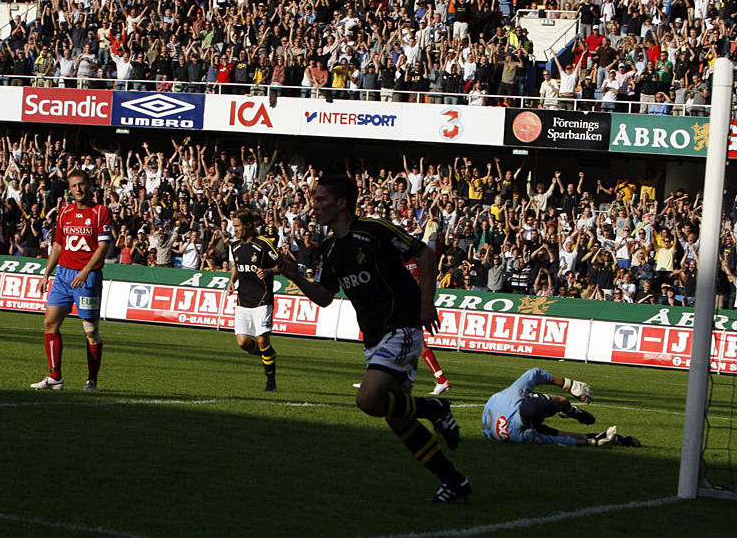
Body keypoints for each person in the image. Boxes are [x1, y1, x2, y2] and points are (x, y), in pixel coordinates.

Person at [279, 174, 470, 503]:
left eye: (321, 199)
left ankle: (436, 407)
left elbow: (424, 254)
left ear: (341, 203)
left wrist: (427, 303)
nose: (315, 205)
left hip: (402, 323)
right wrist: (296, 277)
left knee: (367, 400)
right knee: (397, 417)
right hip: (375, 337)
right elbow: (325, 297)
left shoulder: (375, 230)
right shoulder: (328, 249)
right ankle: (454, 481)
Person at [31, 170, 112, 392]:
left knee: (90, 331)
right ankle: (55, 377)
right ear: (70, 188)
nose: (78, 189)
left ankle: (92, 380)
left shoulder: (100, 212)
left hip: (87, 278)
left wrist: (86, 271)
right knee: (50, 323)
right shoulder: (64, 211)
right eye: (74, 185)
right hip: (63, 276)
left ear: (89, 186)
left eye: (82, 184)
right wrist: (47, 273)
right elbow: (58, 245)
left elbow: (103, 246)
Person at [482, 367, 640, 447]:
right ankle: (602, 437)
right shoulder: (523, 434)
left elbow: (534, 374)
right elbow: (554, 438)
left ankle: (570, 411)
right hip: (506, 419)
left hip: (499, 409)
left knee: (561, 401)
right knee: (560, 411)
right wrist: (590, 443)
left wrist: (567, 384)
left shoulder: (513, 394)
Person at [226, 209, 280, 392]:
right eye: (234, 226)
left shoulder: (263, 244)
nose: (235, 230)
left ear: (249, 225)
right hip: (243, 299)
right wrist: (232, 281)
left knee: (263, 340)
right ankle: (268, 357)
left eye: (238, 226)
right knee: (242, 342)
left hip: (262, 299)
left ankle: (270, 381)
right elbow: (236, 265)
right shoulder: (235, 246)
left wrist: (269, 271)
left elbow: (282, 264)